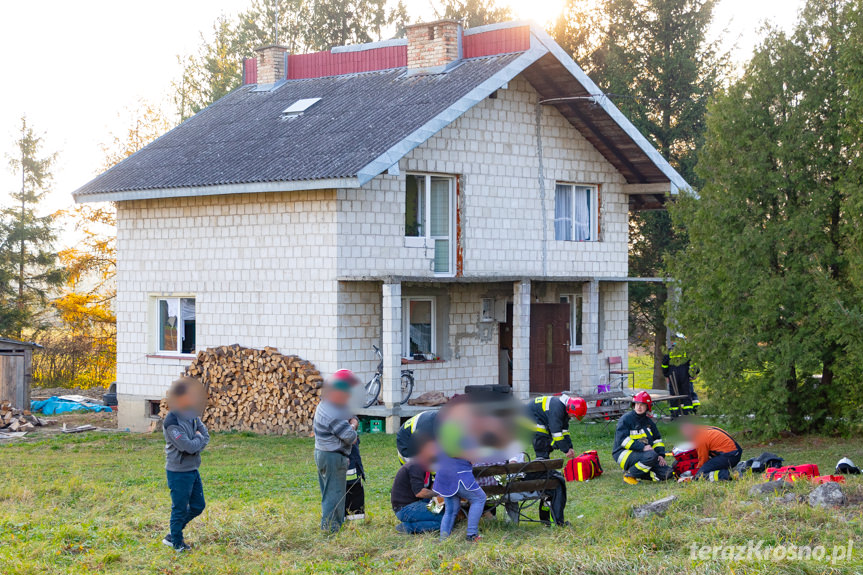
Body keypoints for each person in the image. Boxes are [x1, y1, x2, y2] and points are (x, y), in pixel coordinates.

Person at [162, 376, 210, 552]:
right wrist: (197, 439)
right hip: (178, 472)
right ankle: (176, 543)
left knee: (198, 506)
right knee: (180, 509)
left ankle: (172, 534)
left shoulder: (192, 415)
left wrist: (197, 440)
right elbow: (188, 447)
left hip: (193, 469)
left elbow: (206, 435)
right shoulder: (171, 422)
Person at [313, 369, 360, 533]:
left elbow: (352, 416)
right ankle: (330, 531)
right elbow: (350, 436)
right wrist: (353, 425)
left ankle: (332, 527)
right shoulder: (331, 411)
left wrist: (352, 421)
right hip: (332, 457)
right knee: (334, 496)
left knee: (331, 493)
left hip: (326, 454)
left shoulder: (332, 404)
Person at [613, 391, 673, 484]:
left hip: (644, 455)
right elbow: (622, 440)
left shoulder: (649, 422)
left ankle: (636, 472)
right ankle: (629, 476)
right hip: (623, 453)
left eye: (642, 404)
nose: (639, 407)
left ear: (647, 407)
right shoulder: (626, 419)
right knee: (651, 456)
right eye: (637, 404)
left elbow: (657, 440)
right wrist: (643, 447)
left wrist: (660, 454)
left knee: (667, 473)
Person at [391, 434, 443, 534]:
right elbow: (420, 492)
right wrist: (440, 495)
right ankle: (406, 527)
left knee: (442, 512)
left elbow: (431, 486)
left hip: (416, 503)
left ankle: (425, 518)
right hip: (405, 508)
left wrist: (441, 491)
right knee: (443, 520)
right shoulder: (416, 466)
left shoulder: (425, 466)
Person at [528, 394, 587, 459]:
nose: (573, 417)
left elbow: (564, 431)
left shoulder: (564, 410)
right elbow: (556, 433)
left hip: (539, 418)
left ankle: (545, 464)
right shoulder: (557, 409)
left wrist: (570, 447)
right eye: (573, 415)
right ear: (571, 408)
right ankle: (541, 463)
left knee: (551, 442)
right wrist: (566, 450)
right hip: (529, 417)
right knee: (542, 439)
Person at [661, 341, 700, 416]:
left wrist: (666, 375)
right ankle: (687, 413)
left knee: (673, 395)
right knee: (686, 394)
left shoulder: (669, 352)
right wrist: (694, 374)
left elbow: (664, 365)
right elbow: (694, 364)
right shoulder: (687, 352)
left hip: (672, 376)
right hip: (685, 375)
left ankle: (674, 414)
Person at [345, 438, 366, 521]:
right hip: (350, 469)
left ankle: (354, 520)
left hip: (350, 465)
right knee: (354, 493)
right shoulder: (343, 426)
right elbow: (351, 438)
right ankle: (355, 521)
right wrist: (354, 425)